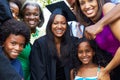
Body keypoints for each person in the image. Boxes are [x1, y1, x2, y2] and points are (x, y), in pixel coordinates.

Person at [74, 0, 120, 80]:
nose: (87, 6)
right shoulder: (90, 26)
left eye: (90, 0)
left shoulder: (107, 9)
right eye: (82, 3)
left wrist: (106, 70)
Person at [30, 8, 77, 80]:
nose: (59, 26)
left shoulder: (73, 42)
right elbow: (38, 73)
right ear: (50, 25)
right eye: (55, 23)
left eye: (63, 23)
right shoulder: (40, 44)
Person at [18, 1, 45, 80]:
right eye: (27, 14)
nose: (32, 17)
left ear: (40, 17)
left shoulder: (43, 35)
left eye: (35, 14)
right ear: (22, 16)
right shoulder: (17, 34)